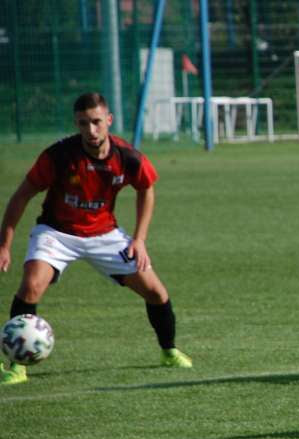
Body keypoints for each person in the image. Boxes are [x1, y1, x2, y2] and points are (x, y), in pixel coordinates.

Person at [0, 92, 192, 386]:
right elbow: (22, 195)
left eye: (96, 122)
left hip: (106, 235)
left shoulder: (127, 157)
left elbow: (146, 189)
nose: (90, 130)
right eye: (83, 123)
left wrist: (139, 239)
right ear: (76, 124)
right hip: (56, 233)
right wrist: (5, 243)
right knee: (31, 286)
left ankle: (169, 350)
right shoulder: (59, 156)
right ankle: (17, 365)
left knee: (156, 292)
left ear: (109, 121)